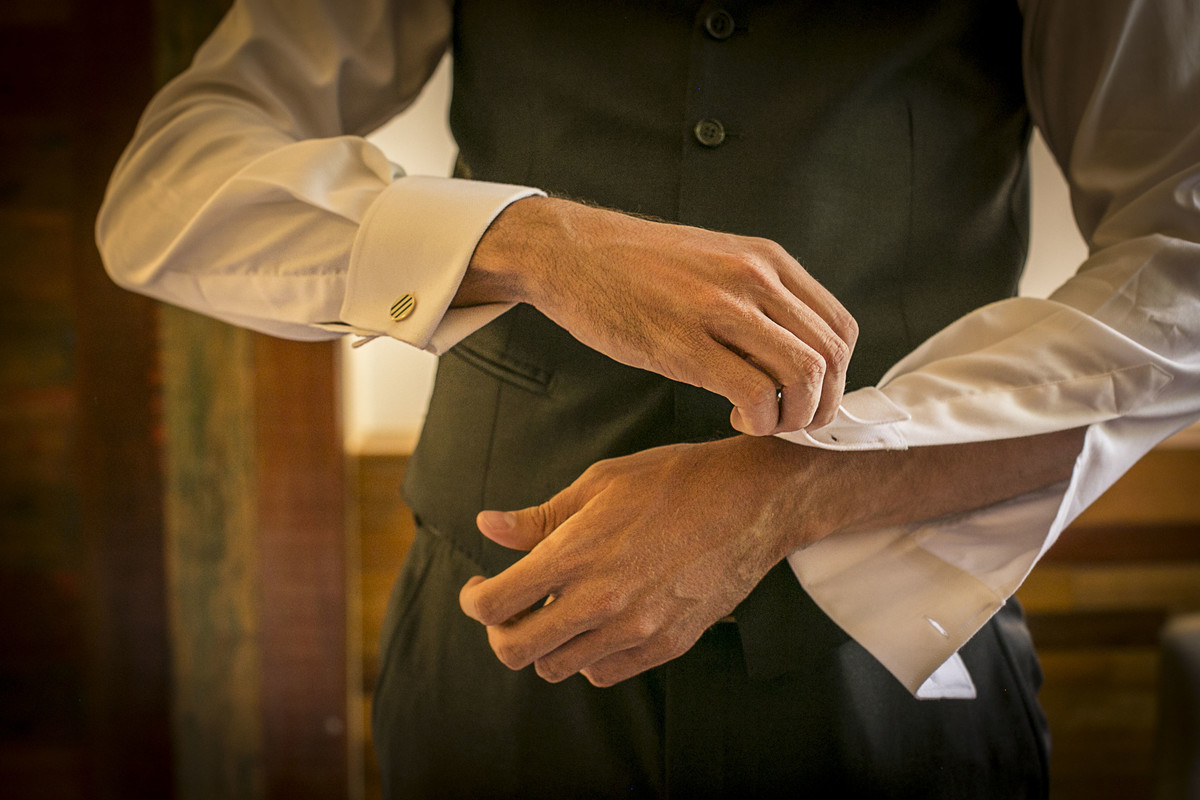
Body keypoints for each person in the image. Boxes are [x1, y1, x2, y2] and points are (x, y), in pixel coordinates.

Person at [97, 0, 1200, 796]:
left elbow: (1186, 270)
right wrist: (525, 237)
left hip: (894, 684)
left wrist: (799, 489)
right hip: (491, 679)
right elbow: (166, 184)